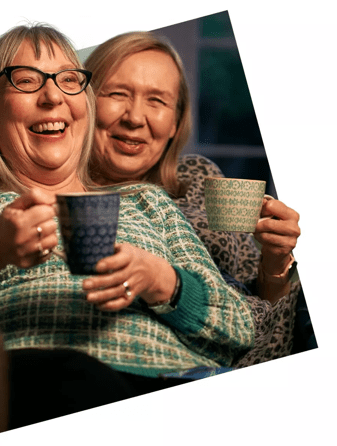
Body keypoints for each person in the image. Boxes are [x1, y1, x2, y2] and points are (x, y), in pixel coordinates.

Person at [0, 23, 255, 427]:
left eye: (68, 80)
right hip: (50, 379)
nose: (52, 96)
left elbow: (239, 325)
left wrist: (163, 281)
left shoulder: (147, 201)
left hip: (182, 379)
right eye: (26, 81)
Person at [83, 31, 303, 367]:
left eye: (157, 101)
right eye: (117, 94)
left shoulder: (199, 178)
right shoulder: (63, 200)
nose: (134, 117)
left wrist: (275, 259)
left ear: (175, 122)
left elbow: (265, 316)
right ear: (84, 101)